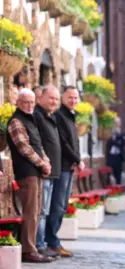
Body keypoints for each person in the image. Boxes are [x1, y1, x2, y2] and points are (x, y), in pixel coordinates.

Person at [6, 88, 53, 263]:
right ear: (18, 102)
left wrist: (46, 162)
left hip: (36, 172)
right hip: (27, 173)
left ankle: (32, 247)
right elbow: (25, 149)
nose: (29, 105)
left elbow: (38, 146)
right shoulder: (16, 121)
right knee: (30, 212)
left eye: (32, 102)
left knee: (36, 212)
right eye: (25, 102)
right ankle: (28, 250)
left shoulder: (30, 120)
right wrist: (43, 164)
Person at [46, 86, 85, 257]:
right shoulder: (59, 116)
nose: (73, 100)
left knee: (62, 206)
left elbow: (73, 142)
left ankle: (54, 241)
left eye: (76, 98)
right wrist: (77, 159)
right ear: (63, 98)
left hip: (69, 167)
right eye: (70, 97)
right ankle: (51, 242)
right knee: (57, 206)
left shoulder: (70, 115)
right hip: (61, 167)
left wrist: (76, 160)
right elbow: (63, 143)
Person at [33, 85, 62, 259]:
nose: (54, 102)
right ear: (40, 98)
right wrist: (44, 162)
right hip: (43, 171)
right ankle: (39, 245)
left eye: (56, 99)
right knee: (42, 211)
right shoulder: (37, 116)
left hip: (52, 172)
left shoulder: (49, 117)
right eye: (51, 98)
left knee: (47, 210)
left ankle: (43, 243)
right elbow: (37, 143)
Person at [106, 117, 125, 185]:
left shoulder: (122, 133)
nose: (116, 124)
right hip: (111, 156)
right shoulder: (110, 133)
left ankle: (118, 188)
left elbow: (124, 142)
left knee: (118, 173)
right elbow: (109, 143)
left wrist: (116, 141)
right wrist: (117, 141)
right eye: (115, 122)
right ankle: (111, 189)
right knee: (110, 174)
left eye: (118, 122)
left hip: (119, 156)